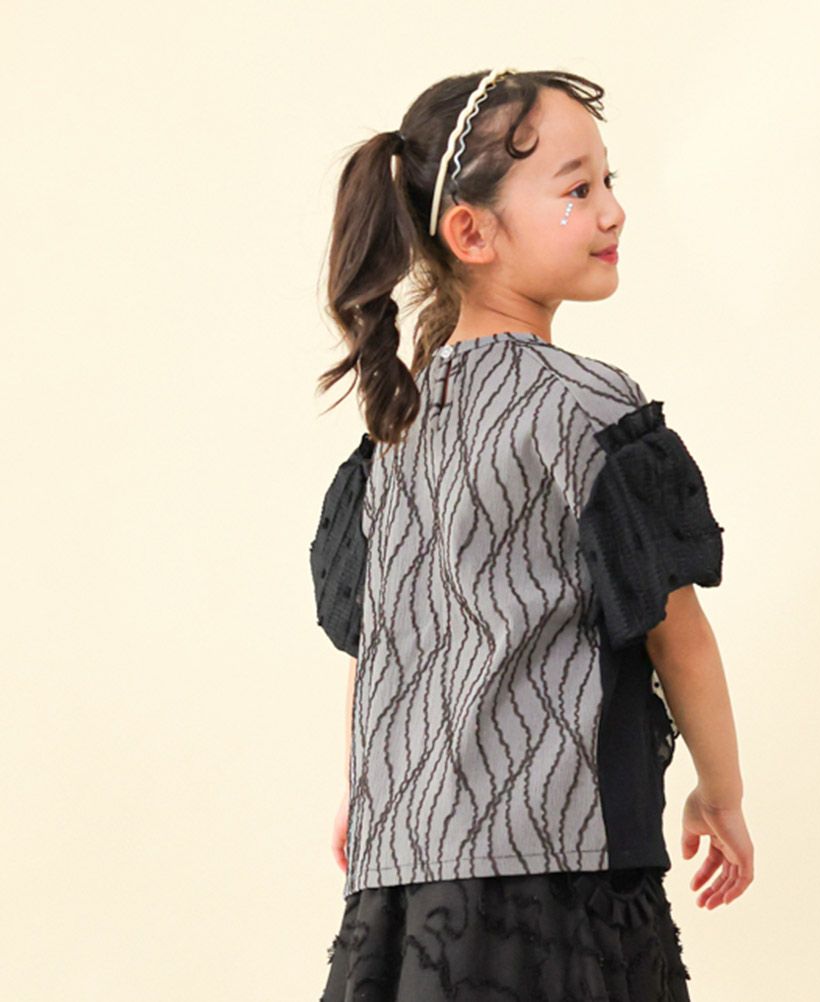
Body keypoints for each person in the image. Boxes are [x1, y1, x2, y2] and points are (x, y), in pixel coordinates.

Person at [308, 67, 753, 1002]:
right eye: (578, 189)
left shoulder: (396, 425)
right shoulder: (589, 407)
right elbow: (675, 630)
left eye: (608, 180)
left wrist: (365, 787)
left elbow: (380, 640)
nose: (613, 211)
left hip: (406, 876)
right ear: (472, 233)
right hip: (557, 868)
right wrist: (722, 791)